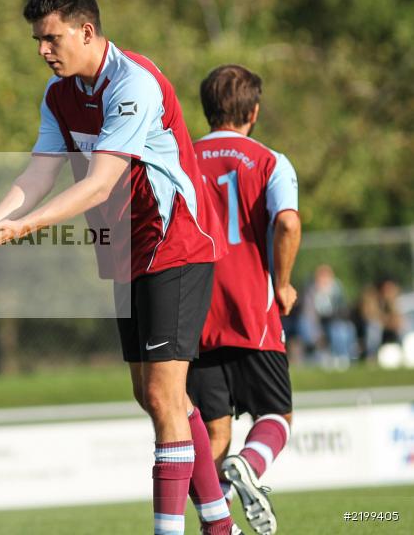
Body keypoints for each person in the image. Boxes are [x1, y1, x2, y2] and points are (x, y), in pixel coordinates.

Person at [0, 0, 236, 535]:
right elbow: (39, 174)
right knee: (153, 395)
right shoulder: (58, 95)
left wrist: (21, 229)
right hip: (126, 253)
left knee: (164, 395)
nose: (44, 50)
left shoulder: (134, 85)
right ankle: (222, 526)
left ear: (86, 32)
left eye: (52, 38)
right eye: (38, 41)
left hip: (176, 244)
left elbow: (99, 185)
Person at [187, 64, 302, 535]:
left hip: (192, 313)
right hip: (251, 309)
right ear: (253, 111)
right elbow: (288, 223)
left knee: (211, 434)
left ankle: (221, 524)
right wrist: (284, 283)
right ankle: (250, 468)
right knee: (276, 416)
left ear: (206, 109)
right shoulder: (271, 160)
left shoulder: (180, 158)